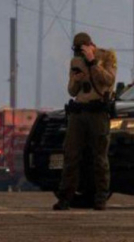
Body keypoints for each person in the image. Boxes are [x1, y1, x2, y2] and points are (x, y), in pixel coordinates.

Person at [53, 32, 116, 211]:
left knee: (100, 157)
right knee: (71, 155)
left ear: (90, 45)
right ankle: (65, 197)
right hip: (79, 112)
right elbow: (72, 91)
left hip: (98, 112)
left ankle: (101, 197)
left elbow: (108, 80)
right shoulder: (76, 62)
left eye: (82, 49)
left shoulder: (106, 57)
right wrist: (76, 80)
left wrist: (93, 62)